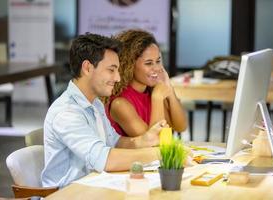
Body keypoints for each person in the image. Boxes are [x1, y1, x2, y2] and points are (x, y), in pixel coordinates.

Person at [41, 33, 167, 188]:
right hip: (69, 195)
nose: (118, 78)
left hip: (94, 188)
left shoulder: (95, 103)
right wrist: (159, 155)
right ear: (87, 68)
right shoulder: (66, 113)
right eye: (111, 70)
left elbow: (114, 142)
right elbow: (104, 160)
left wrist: (144, 139)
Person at [105, 29, 187, 137]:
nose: (157, 68)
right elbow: (153, 143)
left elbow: (180, 127)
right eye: (149, 63)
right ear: (129, 65)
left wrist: (169, 89)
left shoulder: (152, 91)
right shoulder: (120, 104)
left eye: (158, 61)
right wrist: (157, 98)